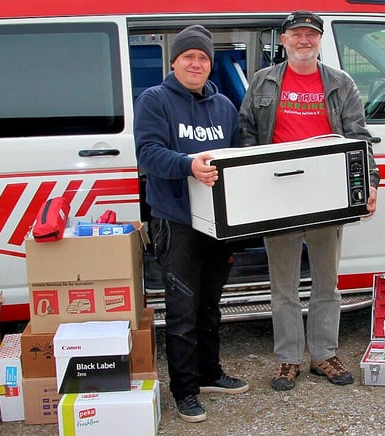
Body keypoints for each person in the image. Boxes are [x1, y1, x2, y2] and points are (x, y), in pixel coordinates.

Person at [239, 10, 379, 392]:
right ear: (284, 40)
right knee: (283, 286)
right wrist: (253, 180)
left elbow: (359, 136)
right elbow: (246, 131)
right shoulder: (263, 82)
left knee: (327, 283)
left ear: (319, 40)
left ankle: (323, 355)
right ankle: (288, 358)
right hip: (278, 196)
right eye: (296, 34)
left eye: (311, 34)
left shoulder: (341, 83)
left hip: (326, 195)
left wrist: (370, 182)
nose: (304, 40)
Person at [134, 24, 248, 423]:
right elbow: (148, 154)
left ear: (210, 64)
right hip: (176, 220)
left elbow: (238, 158)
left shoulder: (224, 107)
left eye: (203, 58)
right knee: (182, 307)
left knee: (210, 304)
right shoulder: (155, 100)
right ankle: (184, 389)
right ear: (174, 62)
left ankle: (209, 373)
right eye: (188, 57)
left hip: (218, 224)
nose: (196, 63)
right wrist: (188, 165)